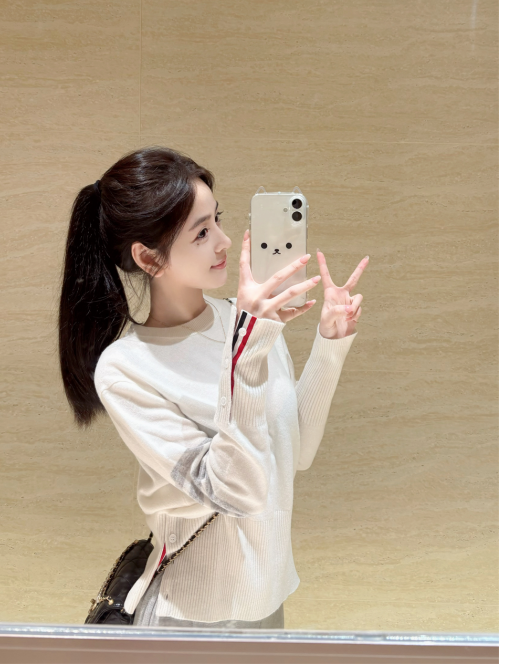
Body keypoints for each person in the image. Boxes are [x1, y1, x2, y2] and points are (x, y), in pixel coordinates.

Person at [57, 145, 368, 629]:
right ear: (148, 257)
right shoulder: (126, 369)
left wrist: (330, 345)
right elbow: (235, 490)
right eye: (201, 232)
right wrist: (250, 344)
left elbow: (294, 453)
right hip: (189, 617)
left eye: (217, 220)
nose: (225, 241)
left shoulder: (245, 324)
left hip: (267, 605)